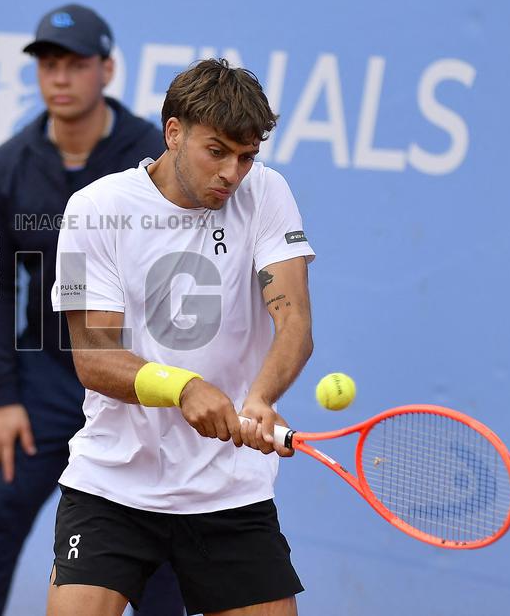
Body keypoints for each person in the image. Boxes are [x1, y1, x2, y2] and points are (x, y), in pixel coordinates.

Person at [47, 58, 316, 616]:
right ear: (174, 133)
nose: (232, 174)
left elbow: (293, 323)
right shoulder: (94, 209)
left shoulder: (266, 194)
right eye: (216, 151)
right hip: (113, 485)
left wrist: (261, 397)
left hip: (229, 491)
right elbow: (93, 358)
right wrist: (184, 387)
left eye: (246, 157)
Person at [0, 5, 185, 615]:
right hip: (48, 380)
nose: (60, 78)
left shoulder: (155, 158)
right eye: (49, 65)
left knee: (155, 547)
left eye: (76, 64)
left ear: (106, 69)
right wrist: (2, 399)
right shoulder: (9, 166)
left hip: (138, 379)